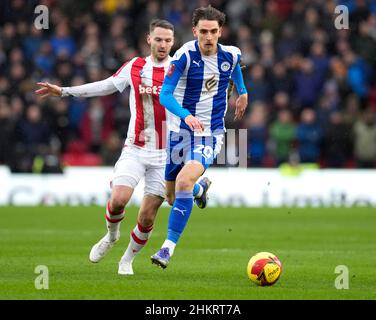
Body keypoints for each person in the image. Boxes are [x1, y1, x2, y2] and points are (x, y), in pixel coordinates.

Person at [35, 19, 210, 276]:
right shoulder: (135, 66)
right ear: (149, 39)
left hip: (166, 155)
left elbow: (206, 89)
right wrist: (63, 91)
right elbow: (104, 86)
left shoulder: (179, 69)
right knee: (118, 201)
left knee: (147, 217)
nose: (163, 44)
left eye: (168, 40)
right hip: (136, 149)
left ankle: (127, 260)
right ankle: (110, 237)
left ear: (173, 43)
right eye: (158, 39)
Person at [151, 6, 248, 269]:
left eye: (213, 32)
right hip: (179, 133)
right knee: (172, 197)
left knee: (183, 180)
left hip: (210, 134)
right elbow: (165, 95)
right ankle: (199, 189)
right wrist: (186, 115)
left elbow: (236, 67)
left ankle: (166, 249)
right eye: (203, 31)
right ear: (195, 32)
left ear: (220, 32)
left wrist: (243, 92)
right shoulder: (183, 56)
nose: (208, 37)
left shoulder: (230, 54)